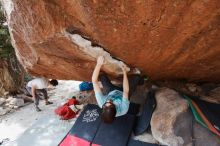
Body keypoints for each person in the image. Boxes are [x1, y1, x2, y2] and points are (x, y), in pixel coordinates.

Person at [92, 56, 141, 123]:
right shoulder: (123, 109)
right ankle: (141, 81)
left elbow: (94, 82)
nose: (109, 100)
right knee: (137, 78)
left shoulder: (101, 103)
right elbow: (126, 91)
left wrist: (99, 64)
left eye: (106, 103)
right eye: (111, 103)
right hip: (123, 93)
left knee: (102, 76)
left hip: (111, 91)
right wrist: (124, 72)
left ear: (103, 108)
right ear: (116, 108)